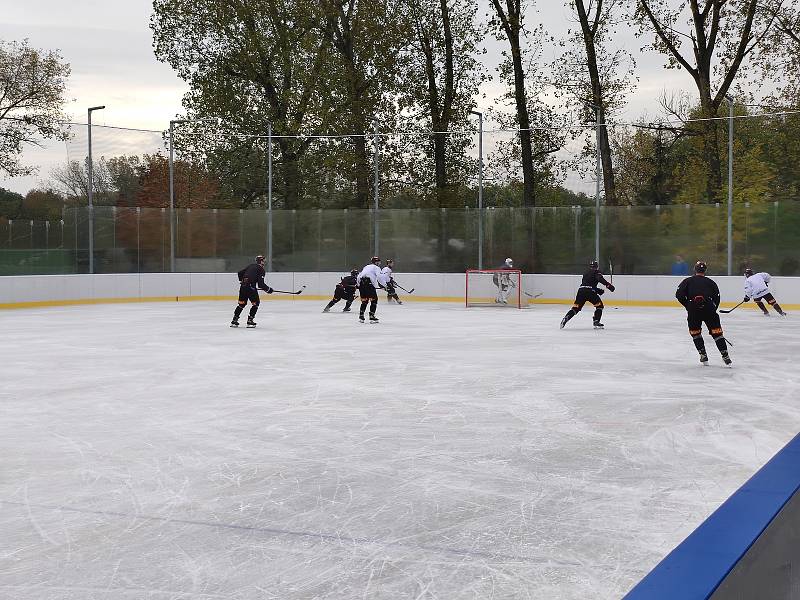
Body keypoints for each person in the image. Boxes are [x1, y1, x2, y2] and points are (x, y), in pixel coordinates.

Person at [675, 261, 731, 365]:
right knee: (717, 333)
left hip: (693, 310)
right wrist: (713, 308)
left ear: (694, 269)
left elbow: (679, 295)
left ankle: (703, 355)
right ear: (705, 270)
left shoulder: (687, 281)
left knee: (695, 333)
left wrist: (688, 305)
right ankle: (725, 355)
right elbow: (717, 297)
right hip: (709, 308)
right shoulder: (711, 282)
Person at [560, 259, 615, 329]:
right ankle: (596, 321)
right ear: (597, 267)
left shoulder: (586, 273)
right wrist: (609, 286)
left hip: (581, 292)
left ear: (590, 266)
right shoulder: (597, 272)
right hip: (590, 292)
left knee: (576, 308)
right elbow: (599, 279)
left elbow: (587, 285)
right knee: (599, 306)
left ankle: (566, 318)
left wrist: (598, 290)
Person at [231, 255, 273, 327]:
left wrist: (243, 281)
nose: (264, 262)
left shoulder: (251, 266)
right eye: (263, 261)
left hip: (243, 287)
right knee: (256, 303)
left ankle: (234, 321)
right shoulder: (261, 269)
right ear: (261, 261)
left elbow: (240, 273)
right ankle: (250, 321)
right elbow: (261, 284)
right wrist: (269, 290)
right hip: (251, 288)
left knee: (241, 304)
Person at [357, 256, 387, 323]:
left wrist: (359, 285)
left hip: (362, 284)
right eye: (378, 261)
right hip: (369, 285)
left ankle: (361, 317)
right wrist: (385, 285)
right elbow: (380, 277)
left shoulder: (366, 266)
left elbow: (359, 276)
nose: (379, 263)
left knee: (364, 301)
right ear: (376, 262)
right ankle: (371, 317)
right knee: (374, 300)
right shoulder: (376, 268)